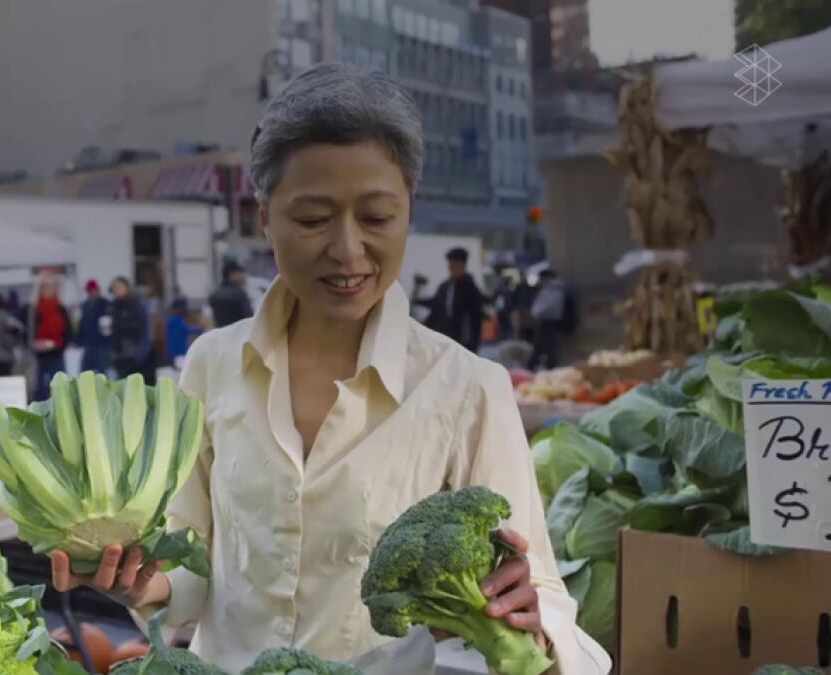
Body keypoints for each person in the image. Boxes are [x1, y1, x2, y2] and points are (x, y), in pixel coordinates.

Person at [49, 64, 608, 674]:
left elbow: (542, 594)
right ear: (265, 217)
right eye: (313, 219)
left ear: (409, 210)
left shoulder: (468, 388)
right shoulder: (212, 363)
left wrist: (528, 618)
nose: (346, 250)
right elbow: (189, 555)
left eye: (376, 218)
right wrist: (143, 582)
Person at [419, 247, 485, 352]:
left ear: (463, 266)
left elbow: (476, 320)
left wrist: (473, 345)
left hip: (463, 342)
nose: (452, 269)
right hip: (444, 339)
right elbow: (436, 307)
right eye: (450, 266)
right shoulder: (444, 287)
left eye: (455, 266)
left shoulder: (470, 289)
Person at [28, 274, 73, 400]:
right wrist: (34, 345)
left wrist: (60, 346)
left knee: (60, 387)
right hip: (40, 356)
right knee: (40, 388)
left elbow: (68, 331)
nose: (47, 291)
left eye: (49, 288)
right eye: (44, 288)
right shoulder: (34, 310)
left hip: (57, 353)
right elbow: (29, 330)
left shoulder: (60, 309)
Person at [108, 276, 154, 385]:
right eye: (115, 288)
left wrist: (141, 354)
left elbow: (146, 331)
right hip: (119, 356)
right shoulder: (112, 307)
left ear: (127, 287)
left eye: (120, 287)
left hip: (136, 356)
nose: (117, 290)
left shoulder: (137, 306)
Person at [527, 269, 567, 371]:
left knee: (542, 344)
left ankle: (533, 365)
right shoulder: (552, 288)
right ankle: (542, 364)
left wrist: (537, 312)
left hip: (548, 319)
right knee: (546, 344)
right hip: (546, 319)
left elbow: (549, 305)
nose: (541, 282)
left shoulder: (554, 289)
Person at [77, 279, 112, 374]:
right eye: (89, 291)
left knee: (101, 371)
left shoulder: (105, 304)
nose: (92, 293)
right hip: (88, 344)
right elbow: (82, 324)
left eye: (93, 290)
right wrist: (78, 339)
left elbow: (108, 326)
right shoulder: (85, 305)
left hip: (102, 345)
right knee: (84, 372)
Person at [207, 260, 254, 327]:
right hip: (239, 331)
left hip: (221, 331)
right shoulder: (239, 294)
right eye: (240, 273)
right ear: (232, 274)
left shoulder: (215, 294)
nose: (242, 276)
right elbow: (249, 317)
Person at [164, 297, 203, 370]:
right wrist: (199, 329)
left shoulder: (172, 319)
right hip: (178, 351)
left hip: (175, 351)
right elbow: (185, 329)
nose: (184, 309)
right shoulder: (176, 320)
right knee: (180, 369)